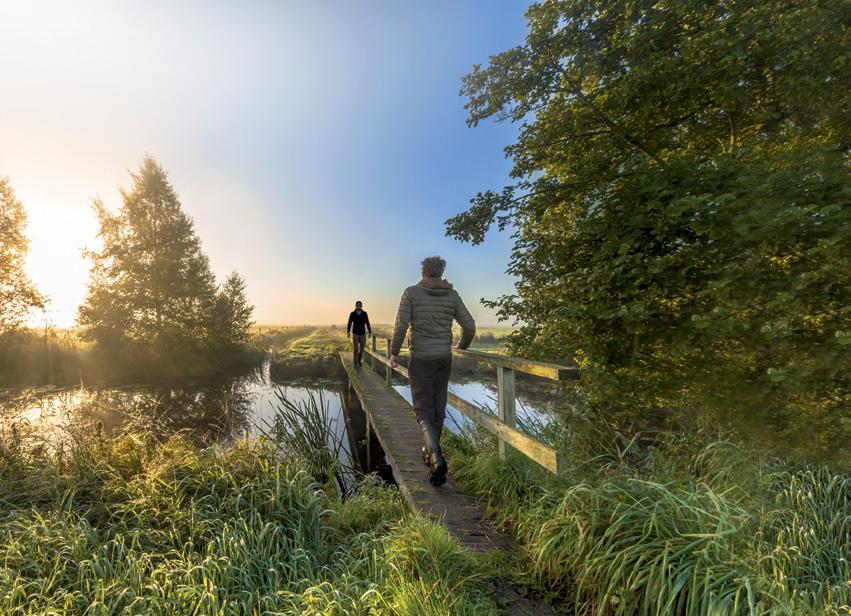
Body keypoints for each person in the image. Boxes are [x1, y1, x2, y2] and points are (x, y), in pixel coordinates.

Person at [389, 256, 475, 486]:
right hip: (443, 359)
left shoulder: (411, 293)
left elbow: (400, 326)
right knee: (438, 408)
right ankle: (430, 453)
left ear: (423, 272)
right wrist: (462, 346)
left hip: (421, 358)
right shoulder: (452, 295)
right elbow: (469, 326)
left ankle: (436, 458)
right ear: (441, 271)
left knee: (422, 410)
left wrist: (393, 353)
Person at [347, 300, 371, 367]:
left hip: (363, 333)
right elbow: (349, 323)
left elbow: (367, 322)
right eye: (358, 305)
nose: (359, 306)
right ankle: (355, 363)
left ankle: (359, 360)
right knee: (355, 348)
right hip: (355, 333)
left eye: (360, 305)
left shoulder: (364, 313)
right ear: (355, 306)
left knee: (362, 348)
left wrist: (369, 331)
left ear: (361, 306)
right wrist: (348, 332)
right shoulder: (352, 314)